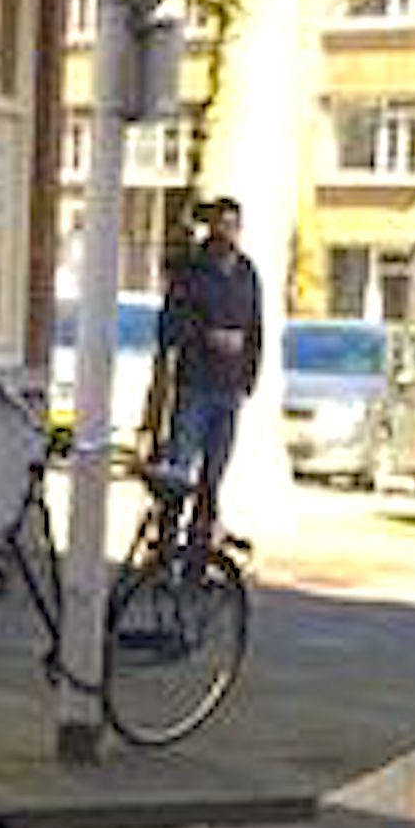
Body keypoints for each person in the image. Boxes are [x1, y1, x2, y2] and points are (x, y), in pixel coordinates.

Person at [148, 197, 262, 582]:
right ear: (211, 228)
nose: (229, 233)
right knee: (179, 475)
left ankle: (198, 560)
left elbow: (255, 326)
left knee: (213, 479)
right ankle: (165, 554)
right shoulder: (192, 271)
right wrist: (206, 337)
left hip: (230, 388)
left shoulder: (246, 272)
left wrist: (248, 374)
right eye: (222, 225)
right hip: (196, 384)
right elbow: (171, 327)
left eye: (234, 225)